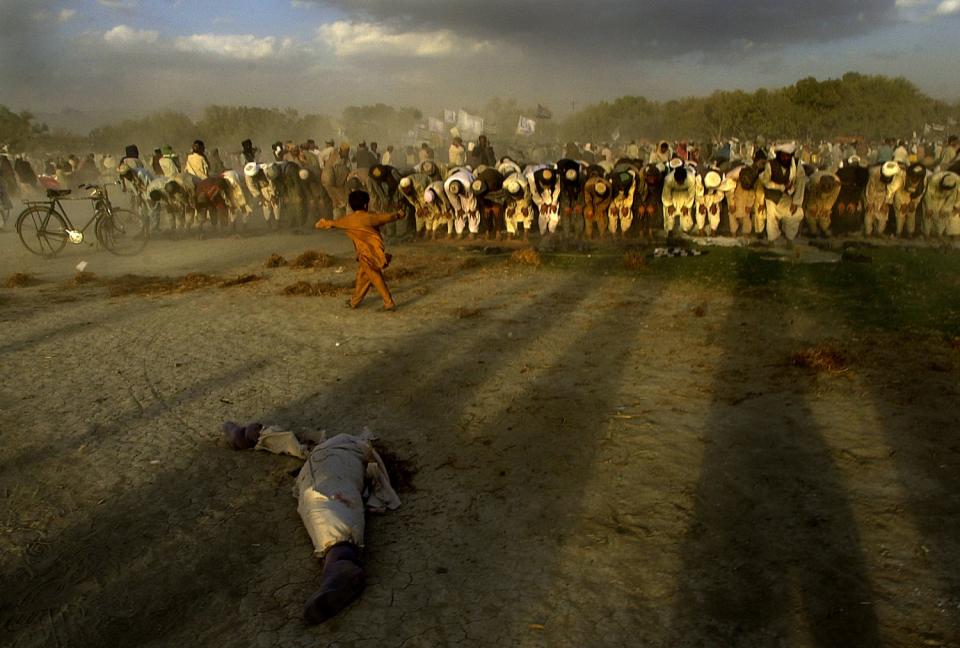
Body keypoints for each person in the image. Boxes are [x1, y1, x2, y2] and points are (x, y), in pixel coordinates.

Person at [315, 190, 405, 310]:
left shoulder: (347, 220)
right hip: (374, 251)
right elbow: (387, 217)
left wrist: (321, 223)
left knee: (374, 276)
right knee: (363, 276)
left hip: (365, 253)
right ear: (365, 205)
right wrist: (398, 214)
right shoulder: (370, 217)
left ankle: (388, 302)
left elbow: (332, 223)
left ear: (352, 206)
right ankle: (354, 302)